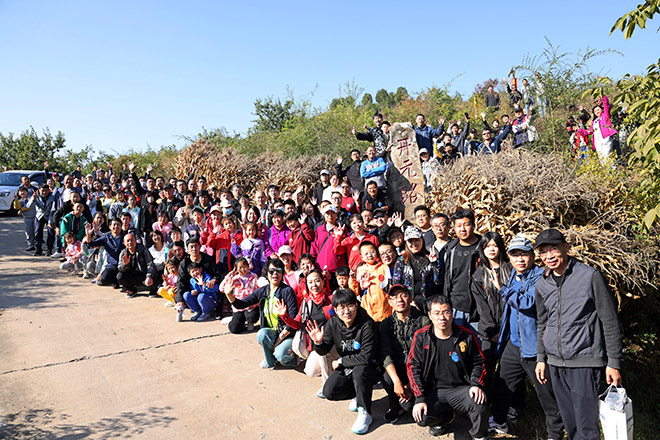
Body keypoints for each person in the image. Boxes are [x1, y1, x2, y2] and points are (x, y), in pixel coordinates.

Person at [535, 229, 623, 440]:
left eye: (554, 249)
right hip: (555, 364)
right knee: (570, 423)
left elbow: (609, 321)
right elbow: (542, 323)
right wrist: (541, 358)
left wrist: (614, 362)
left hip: (584, 361)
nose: (549, 256)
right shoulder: (542, 284)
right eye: (544, 252)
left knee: (587, 427)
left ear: (566, 247)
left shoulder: (589, 276)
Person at [487, 235, 564, 439]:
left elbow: (528, 302)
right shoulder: (514, 274)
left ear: (532, 256)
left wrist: (502, 289)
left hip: (535, 347)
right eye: (515, 255)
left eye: (524, 254)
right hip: (515, 343)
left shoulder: (541, 277)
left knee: (545, 393)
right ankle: (499, 421)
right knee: (502, 382)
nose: (520, 259)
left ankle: (556, 433)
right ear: (510, 258)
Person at [407, 295, 489, 439]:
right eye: (437, 313)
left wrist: (476, 384)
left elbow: (479, 362)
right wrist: (419, 397)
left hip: (461, 389)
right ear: (429, 315)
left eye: (446, 312)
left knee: (479, 404)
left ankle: (478, 435)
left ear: (452, 313)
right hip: (434, 390)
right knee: (421, 416)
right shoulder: (421, 337)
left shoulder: (467, 336)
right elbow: (413, 367)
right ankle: (445, 419)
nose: (442, 317)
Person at [307, 288, 381, 435]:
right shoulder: (333, 323)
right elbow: (323, 350)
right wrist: (318, 343)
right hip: (348, 365)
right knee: (329, 391)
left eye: (350, 305)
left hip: (371, 367)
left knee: (360, 370)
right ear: (335, 309)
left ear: (357, 305)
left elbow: (366, 357)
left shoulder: (367, 324)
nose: (346, 311)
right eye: (341, 307)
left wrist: (341, 360)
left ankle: (365, 412)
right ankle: (358, 393)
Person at [226, 258, 299, 369]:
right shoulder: (263, 291)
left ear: (282, 273)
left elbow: (293, 320)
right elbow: (240, 305)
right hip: (273, 330)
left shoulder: (287, 291)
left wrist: (279, 339)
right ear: (266, 273)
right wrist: (229, 295)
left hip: (287, 332)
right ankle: (270, 361)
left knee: (281, 354)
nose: (275, 273)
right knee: (261, 334)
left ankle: (293, 359)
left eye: (279, 270)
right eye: (271, 271)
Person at [275, 269, 337, 396]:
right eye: (310, 282)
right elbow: (297, 323)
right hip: (316, 344)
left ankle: (327, 385)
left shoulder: (332, 300)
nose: (314, 285)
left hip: (335, 343)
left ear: (323, 281)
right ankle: (336, 367)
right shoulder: (306, 302)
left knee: (322, 351)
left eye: (317, 281)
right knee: (310, 372)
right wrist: (284, 316)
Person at [379, 284, 431, 423]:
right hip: (399, 369)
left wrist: (410, 384)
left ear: (411, 298)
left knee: (416, 411)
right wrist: (397, 381)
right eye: (394, 297)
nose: (399, 300)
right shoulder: (386, 324)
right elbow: (385, 354)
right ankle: (394, 405)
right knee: (387, 377)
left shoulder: (423, 321)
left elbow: (426, 355)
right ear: (389, 302)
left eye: (403, 295)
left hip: (418, 370)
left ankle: (413, 398)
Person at [443, 209, 481, 329]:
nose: (462, 229)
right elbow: (447, 280)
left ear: (473, 226)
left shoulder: (483, 247)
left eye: (466, 225)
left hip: (480, 309)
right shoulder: (450, 250)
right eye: (458, 226)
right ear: (453, 228)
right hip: (456, 308)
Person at [392, 226, 443, 313]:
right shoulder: (402, 261)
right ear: (406, 242)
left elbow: (438, 282)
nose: (414, 244)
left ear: (422, 240)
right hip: (409, 305)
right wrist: (409, 302)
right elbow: (397, 284)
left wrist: (434, 263)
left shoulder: (431, 257)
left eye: (417, 240)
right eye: (410, 241)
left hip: (429, 305)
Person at [351, 241, 392, 322]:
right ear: (361, 257)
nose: (370, 255)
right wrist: (352, 279)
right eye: (366, 254)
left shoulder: (384, 268)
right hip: (367, 311)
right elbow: (354, 291)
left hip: (384, 310)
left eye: (372, 252)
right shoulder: (360, 270)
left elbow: (390, 287)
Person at [219, 258, 260, 333]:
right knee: (234, 329)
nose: (243, 269)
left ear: (248, 266)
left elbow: (259, 292)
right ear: (236, 269)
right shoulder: (234, 278)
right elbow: (221, 289)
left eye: (244, 266)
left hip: (251, 306)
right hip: (238, 308)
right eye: (240, 268)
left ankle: (250, 322)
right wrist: (228, 276)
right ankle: (234, 320)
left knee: (252, 316)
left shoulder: (254, 277)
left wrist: (255, 304)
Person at [84, 218, 125, 287]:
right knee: (102, 281)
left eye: (118, 225)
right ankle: (114, 279)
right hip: (112, 265)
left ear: (121, 226)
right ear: (110, 227)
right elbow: (91, 243)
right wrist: (88, 235)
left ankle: (118, 280)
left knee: (122, 278)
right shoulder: (106, 238)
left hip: (124, 265)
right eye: (114, 224)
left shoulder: (126, 237)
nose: (116, 227)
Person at [578, 95, 618, 162]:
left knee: (607, 156)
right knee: (601, 158)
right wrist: (580, 130)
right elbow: (589, 131)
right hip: (597, 142)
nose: (597, 111)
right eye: (595, 111)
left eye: (598, 109)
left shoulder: (605, 116)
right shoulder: (594, 122)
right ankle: (605, 171)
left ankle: (612, 170)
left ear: (601, 110)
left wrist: (602, 96)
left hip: (605, 139)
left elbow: (606, 106)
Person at [117, 233, 152, 297]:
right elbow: (119, 268)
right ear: (124, 243)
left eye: (132, 240)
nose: (130, 242)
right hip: (131, 276)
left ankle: (152, 289)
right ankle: (132, 290)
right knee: (120, 276)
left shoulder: (143, 250)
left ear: (135, 241)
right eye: (128, 241)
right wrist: (124, 264)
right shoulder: (123, 252)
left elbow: (150, 264)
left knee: (153, 281)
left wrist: (149, 276)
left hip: (143, 274)